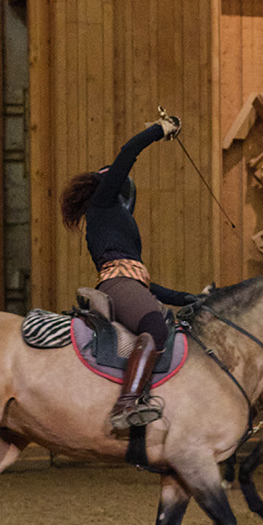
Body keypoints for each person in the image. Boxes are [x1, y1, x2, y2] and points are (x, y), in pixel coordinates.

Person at [60, 119, 199, 434]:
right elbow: (128, 153)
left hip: (128, 284)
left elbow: (146, 283)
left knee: (166, 321)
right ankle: (127, 403)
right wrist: (158, 130)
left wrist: (190, 298)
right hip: (117, 285)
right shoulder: (103, 203)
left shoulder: (112, 222)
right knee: (154, 327)